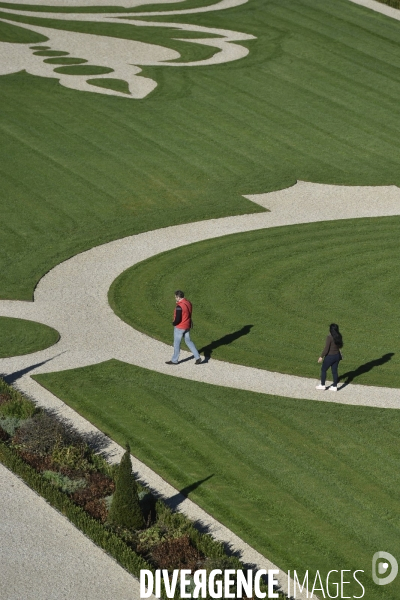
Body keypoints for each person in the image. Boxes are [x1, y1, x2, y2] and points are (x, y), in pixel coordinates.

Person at [165, 290, 202, 365]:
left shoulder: (179, 307)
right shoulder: (188, 303)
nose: (175, 298)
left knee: (176, 343)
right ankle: (197, 357)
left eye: (176, 297)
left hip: (180, 327)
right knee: (188, 341)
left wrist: (174, 323)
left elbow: (178, 319)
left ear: (178, 297)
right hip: (187, 326)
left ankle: (174, 360)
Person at [316, 323, 343, 391]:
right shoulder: (339, 336)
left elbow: (326, 348)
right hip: (337, 356)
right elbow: (340, 346)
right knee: (334, 371)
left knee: (323, 370)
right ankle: (334, 386)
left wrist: (321, 356)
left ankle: (322, 385)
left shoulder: (329, 337)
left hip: (330, 357)